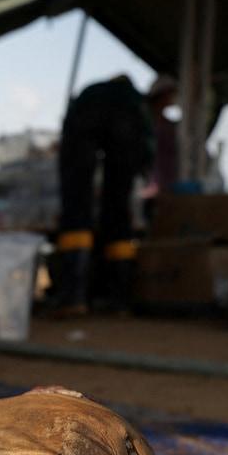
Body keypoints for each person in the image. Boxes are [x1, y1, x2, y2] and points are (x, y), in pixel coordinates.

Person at [52, 73, 176, 316]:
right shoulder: (135, 107)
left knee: (77, 208)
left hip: (84, 126)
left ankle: (73, 298)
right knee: (119, 212)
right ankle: (119, 301)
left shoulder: (94, 96)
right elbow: (144, 152)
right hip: (120, 136)